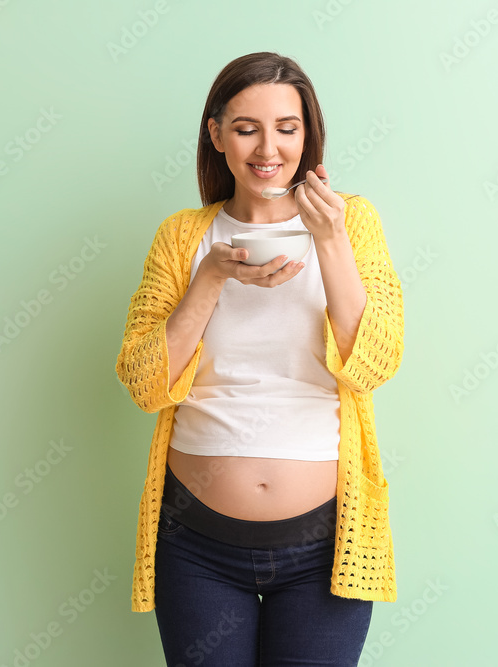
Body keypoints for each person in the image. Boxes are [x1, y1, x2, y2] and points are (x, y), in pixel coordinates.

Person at [115, 51, 404, 666]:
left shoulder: (354, 223)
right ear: (217, 134)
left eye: (287, 128)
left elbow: (375, 364)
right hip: (196, 547)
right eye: (246, 128)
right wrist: (210, 280)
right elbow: (143, 383)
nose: (267, 147)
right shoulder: (182, 237)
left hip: (325, 544)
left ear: (308, 134)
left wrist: (329, 240)